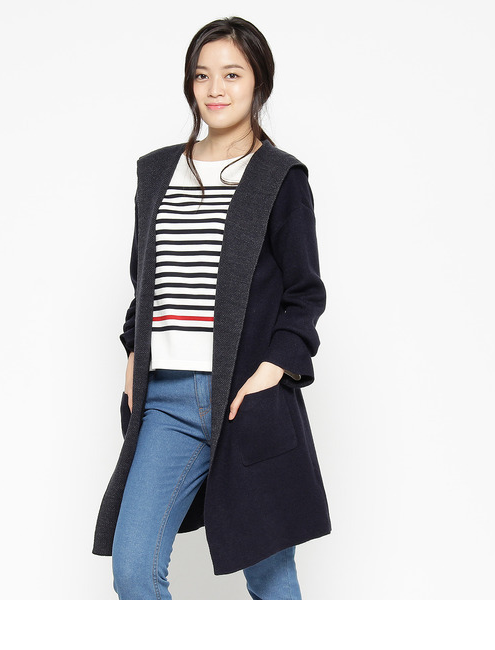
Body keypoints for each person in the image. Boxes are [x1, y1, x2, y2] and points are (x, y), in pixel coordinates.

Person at [92, 16, 332, 600]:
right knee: (134, 570)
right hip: (165, 401)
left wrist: (269, 374)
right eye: (202, 75)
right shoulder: (156, 172)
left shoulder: (279, 177)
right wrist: (134, 353)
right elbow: (146, 283)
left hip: (244, 399)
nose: (215, 89)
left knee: (270, 579)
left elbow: (304, 293)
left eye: (232, 74)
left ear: (259, 82)